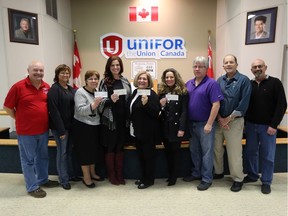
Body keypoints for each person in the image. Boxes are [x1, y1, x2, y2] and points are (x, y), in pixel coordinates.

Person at [3, 61, 59, 198]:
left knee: (42, 157)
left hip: (43, 130)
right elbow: (7, 107)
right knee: (28, 160)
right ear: (28, 70)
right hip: (26, 132)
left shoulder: (46, 86)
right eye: (35, 70)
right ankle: (32, 187)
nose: (38, 73)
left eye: (41, 70)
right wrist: (19, 119)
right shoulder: (18, 87)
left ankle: (43, 180)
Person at [243, 59, 287, 194]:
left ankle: (266, 181)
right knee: (250, 152)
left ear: (265, 67)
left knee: (267, 155)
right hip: (250, 126)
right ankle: (252, 175)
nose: (257, 69)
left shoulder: (275, 83)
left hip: (268, 127)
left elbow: (281, 105)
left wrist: (274, 125)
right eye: (254, 67)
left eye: (259, 66)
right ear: (251, 70)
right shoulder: (249, 84)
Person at [183, 56, 223, 191]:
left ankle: (206, 178)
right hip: (191, 123)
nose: (197, 69)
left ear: (206, 68)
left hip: (205, 124)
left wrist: (210, 124)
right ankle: (196, 173)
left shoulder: (212, 84)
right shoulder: (188, 83)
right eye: (195, 66)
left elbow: (216, 105)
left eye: (200, 66)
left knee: (207, 152)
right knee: (194, 150)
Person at [213, 54, 252, 192]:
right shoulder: (219, 80)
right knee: (216, 148)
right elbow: (215, 101)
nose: (228, 64)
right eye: (226, 62)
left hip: (234, 122)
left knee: (234, 151)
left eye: (231, 62)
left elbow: (243, 104)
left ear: (236, 64)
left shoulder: (244, 80)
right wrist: (219, 118)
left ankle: (237, 179)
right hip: (218, 121)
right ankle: (218, 172)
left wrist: (227, 119)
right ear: (223, 65)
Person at [98, 56, 131, 185]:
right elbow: (99, 101)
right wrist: (110, 99)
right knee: (111, 147)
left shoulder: (125, 80)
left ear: (121, 66)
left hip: (123, 119)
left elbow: (129, 98)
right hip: (110, 120)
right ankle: (112, 176)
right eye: (112, 65)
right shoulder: (104, 81)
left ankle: (119, 174)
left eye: (117, 65)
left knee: (120, 146)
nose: (115, 67)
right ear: (109, 67)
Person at [47, 64, 80, 190]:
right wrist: (61, 130)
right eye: (62, 73)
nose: (65, 75)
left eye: (67, 73)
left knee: (69, 152)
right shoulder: (54, 89)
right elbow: (54, 111)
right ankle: (63, 179)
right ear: (57, 75)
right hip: (60, 128)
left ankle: (71, 175)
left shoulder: (70, 88)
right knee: (63, 153)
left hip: (71, 126)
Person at [129, 71, 161, 189]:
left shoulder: (152, 94)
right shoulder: (135, 92)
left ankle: (149, 180)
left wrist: (146, 104)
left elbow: (155, 113)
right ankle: (143, 177)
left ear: (149, 82)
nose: (142, 81)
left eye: (145, 79)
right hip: (137, 131)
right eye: (140, 78)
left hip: (148, 132)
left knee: (148, 157)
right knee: (141, 156)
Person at [73, 70, 104, 188]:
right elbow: (80, 111)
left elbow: (98, 111)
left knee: (93, 151)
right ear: (86, 80)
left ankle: (93, 173)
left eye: (96, 79)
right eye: (91, 79)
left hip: (95, 125)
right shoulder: (80, 92)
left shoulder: (96, 92)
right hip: (83, 126)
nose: (94, 81)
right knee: (85, 153)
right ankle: (86, 178)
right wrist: (94, 105)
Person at [158, 68, 188, 186]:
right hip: (165, 127)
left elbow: (184, 111)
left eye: (171, 77)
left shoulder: (183, 92)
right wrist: (161, 105)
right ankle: (170, 174)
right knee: (168, 153)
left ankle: (173, 177)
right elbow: (161, 112)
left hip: (176, 128)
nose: (169, 79)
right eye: (167, 77)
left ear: (176, 78)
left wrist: (181, 128)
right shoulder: (162, 92)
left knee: (175, 154)